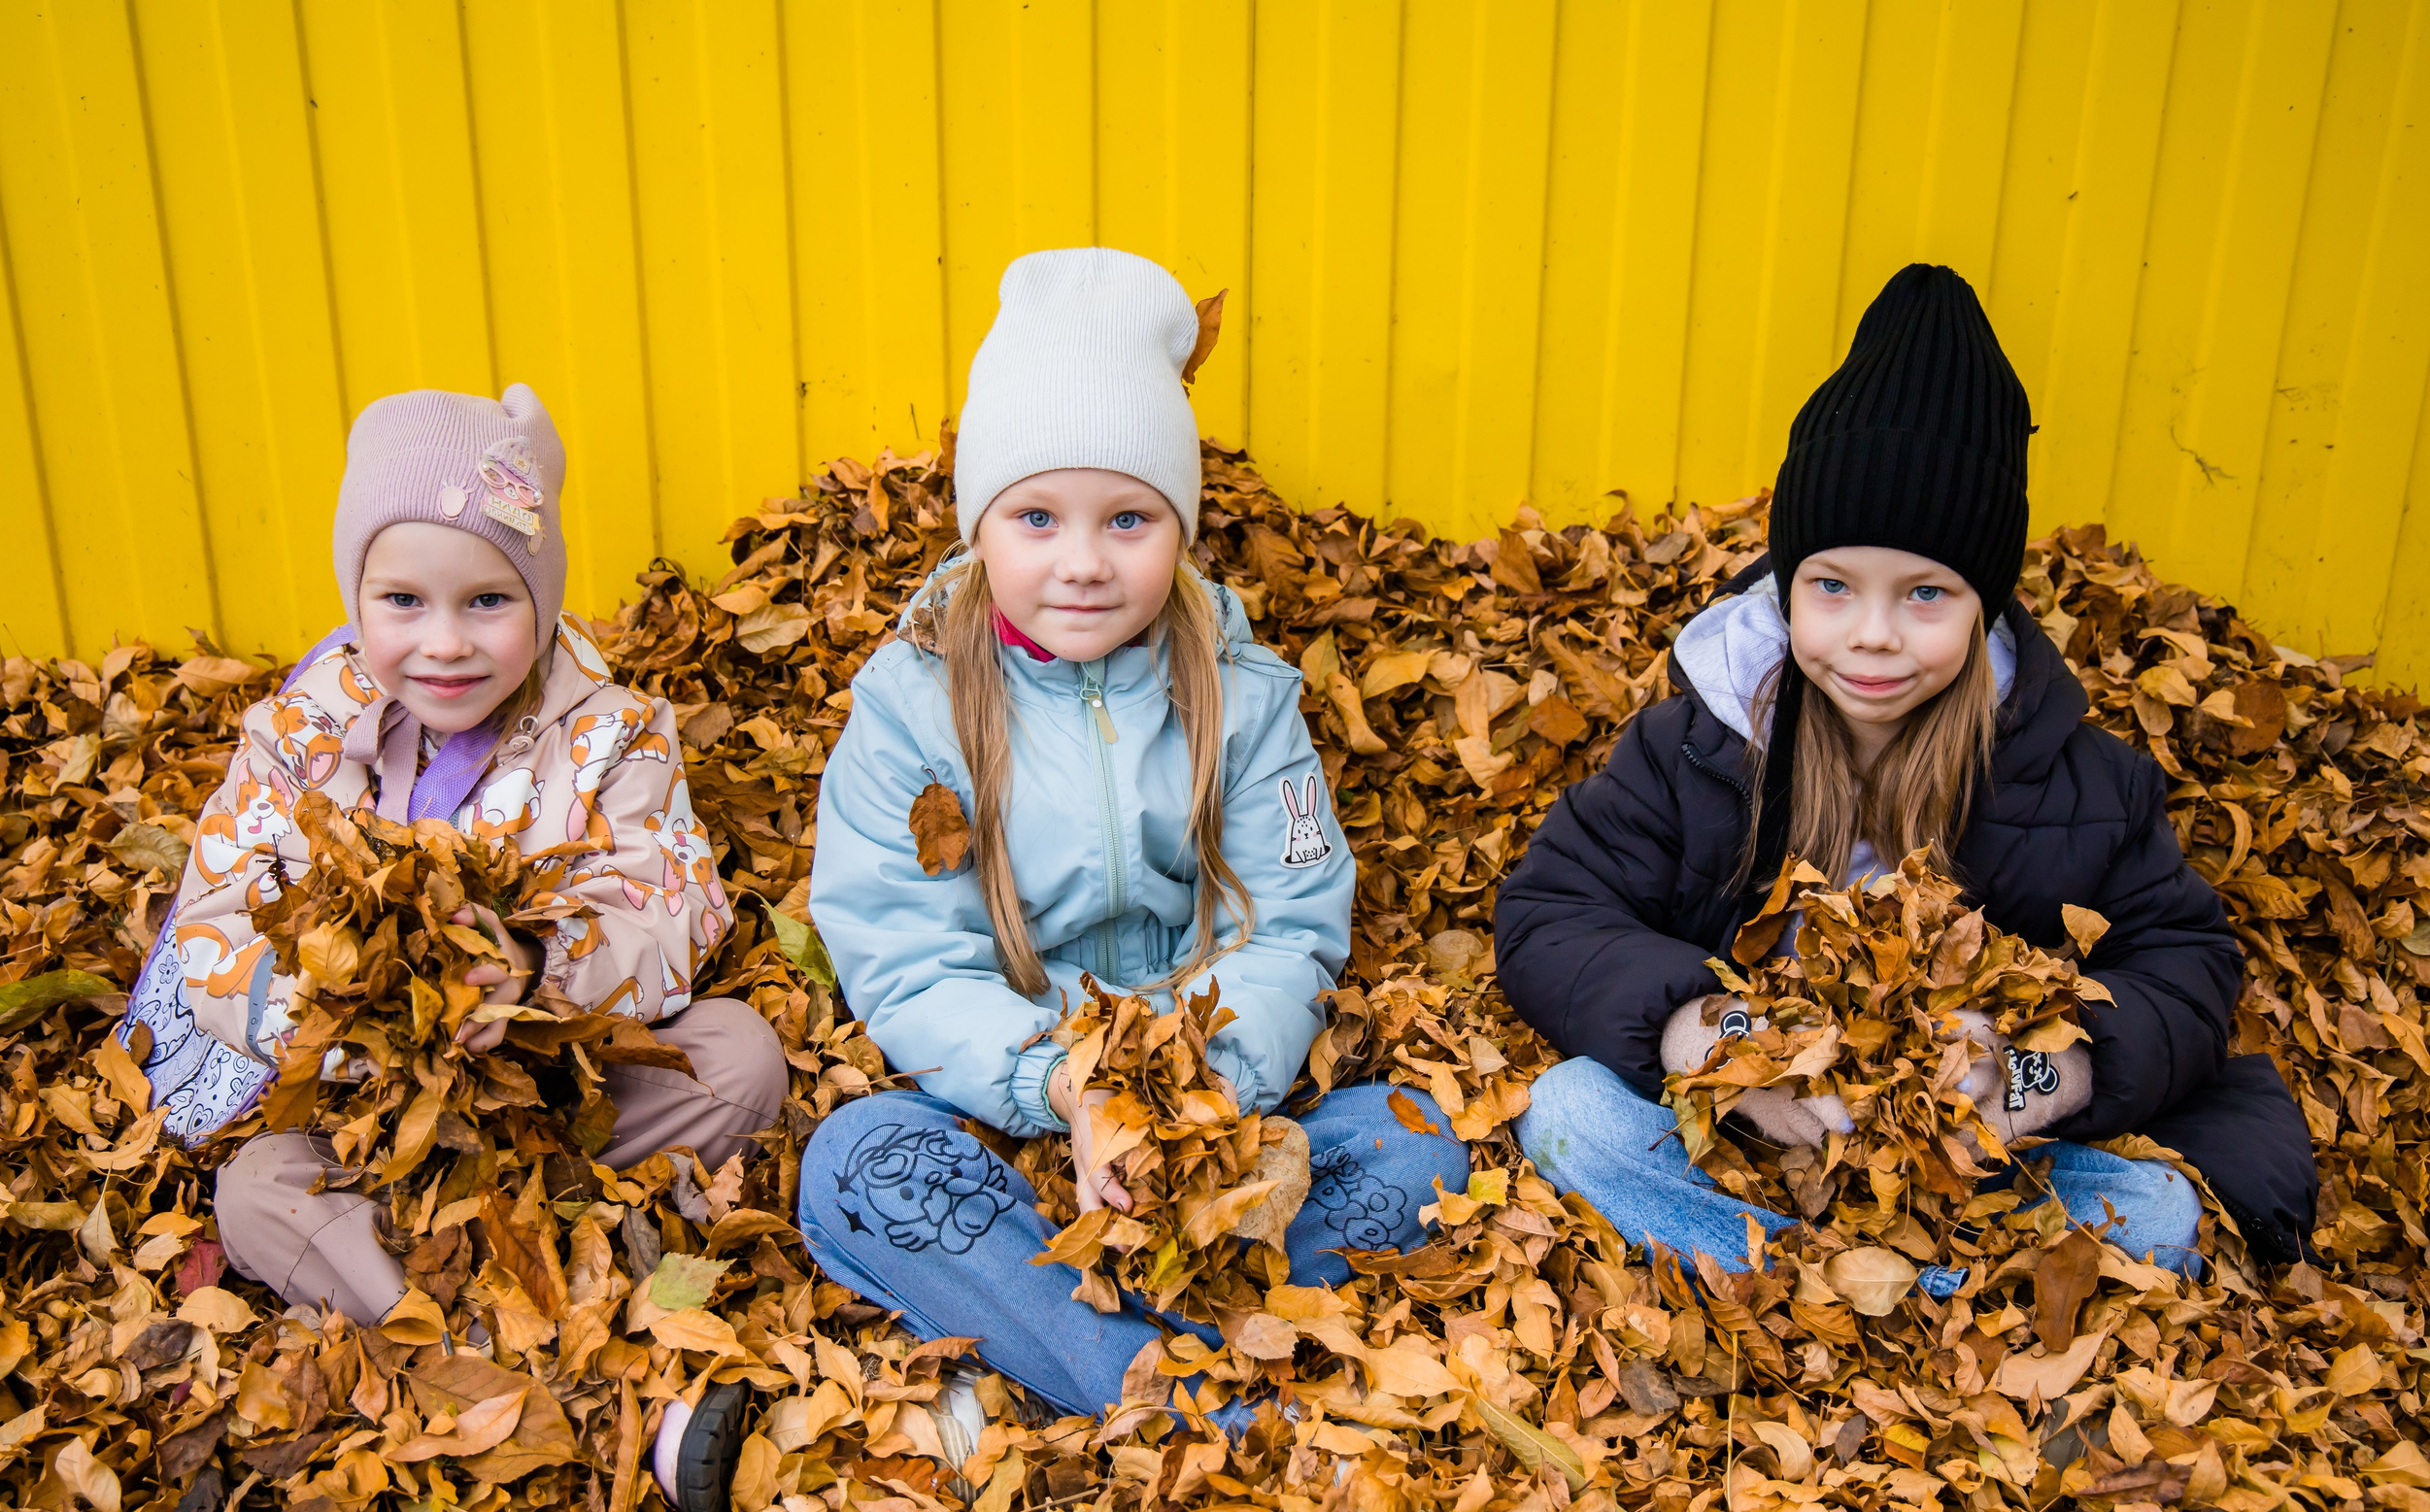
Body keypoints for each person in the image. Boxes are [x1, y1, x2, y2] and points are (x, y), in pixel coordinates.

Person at [1493, 264, 2317, 1289]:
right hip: (1750, 1130)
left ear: (1982, 605)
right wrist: (1717, 1042)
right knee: (1572, 1114)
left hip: (1969, 1156)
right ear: (1788, 588)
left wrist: (2037, 1075)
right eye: (1831, 587)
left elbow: (2184, 966)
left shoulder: (2083, 782)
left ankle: (1863, 1281)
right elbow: (1553, 911)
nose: (1872, 636)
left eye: (1925, 594)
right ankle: (1850, 1286)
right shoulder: (1695, 744)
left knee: (2150, 1211)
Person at [799, 249, 1468, 1432]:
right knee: (856, 1161)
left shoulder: (1247, 697)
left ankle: (1086, 1358)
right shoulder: (908, 712)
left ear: (1180, 526)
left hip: (1217, 1112)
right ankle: (1187, 1379)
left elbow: (1293, 921)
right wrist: (1067, 1089)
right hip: (1010, 1111)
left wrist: (1188, 1098)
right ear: (979, 525)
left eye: (1128, 518)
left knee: (1415, 1142)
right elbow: (905, 957)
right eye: (1037, 516)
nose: (1083, 561)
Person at [137, 384, 785, 1512]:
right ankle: (530, 1378)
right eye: (402, 600)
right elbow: (215, 916)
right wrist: (335, 1013)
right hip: (366, 1120)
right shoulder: (303, 730)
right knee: (257, 1196)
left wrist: (539, 970)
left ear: (539, 598)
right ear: (357, 596)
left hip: (548, 1090)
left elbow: (670, 900)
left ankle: (558, 1249)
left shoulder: (609, 731)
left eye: (488, 600)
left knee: (737, 1055)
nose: (443, 643)